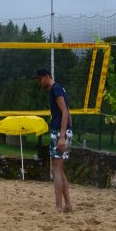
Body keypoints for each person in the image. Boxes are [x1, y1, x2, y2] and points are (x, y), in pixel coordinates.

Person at [36, 68, 73, 213]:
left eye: (40, 79)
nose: (39, 83)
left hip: (59, 132)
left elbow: (65, 113)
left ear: (46, 77)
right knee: (60, 170)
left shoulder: (55, 89)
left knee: (55, 169)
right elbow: (68, 113)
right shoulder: (59, 88)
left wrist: (62, 136)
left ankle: (58, 207)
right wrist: (69, 132)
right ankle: (68, 205)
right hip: (63, 131)